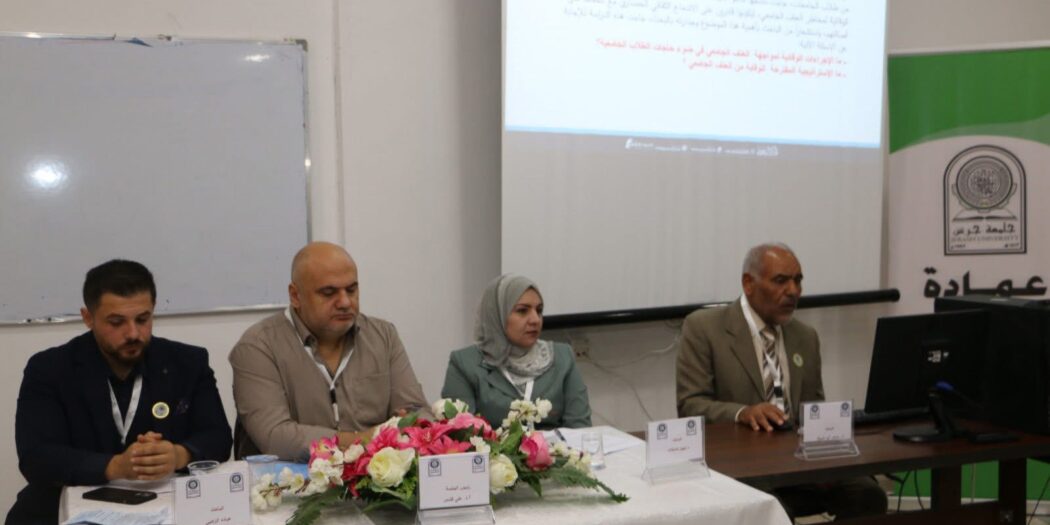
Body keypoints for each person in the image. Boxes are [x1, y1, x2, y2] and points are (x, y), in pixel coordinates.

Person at [9, 260, 232, 525]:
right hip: (64, 510)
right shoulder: (50, 369)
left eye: (143, 319)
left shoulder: (188, 362)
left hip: (165, 510)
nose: (133, 333)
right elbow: (37, 457)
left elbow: (218, 437)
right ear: (88, 318)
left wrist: (178, 455)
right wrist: (114, 466)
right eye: (116, 322)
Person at [675, 243, 887, 520]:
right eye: (781, 281)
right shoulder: (705, 328)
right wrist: (743, 412)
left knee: (867, 495)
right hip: (740, 465)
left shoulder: (805, 336)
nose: (793, 290)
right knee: (772, 512)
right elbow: (690, 405)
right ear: (748, 283)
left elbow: (813, 408)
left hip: (798, 462)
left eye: (798, 280)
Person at [229, 242, 429, 461]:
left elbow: (418, 413)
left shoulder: (383, 336)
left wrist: (411, 423)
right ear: (295, 296)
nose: (345, 302)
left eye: (351, 290)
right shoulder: (258, 346)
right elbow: (276, 437)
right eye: (328, 293)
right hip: (294, 479)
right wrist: (363, 439)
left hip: (377, 476)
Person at [441, 274, 592, 429]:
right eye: (522, 311)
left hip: (556, 445)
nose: (535, 319)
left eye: (539, 310)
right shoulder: (465, 364)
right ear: (497, 315)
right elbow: (460, 434)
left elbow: (580, 428)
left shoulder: (562, 357)